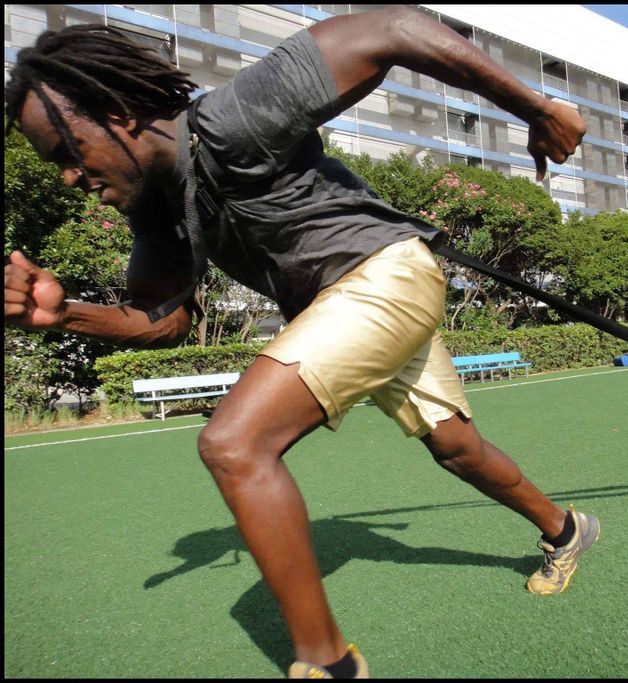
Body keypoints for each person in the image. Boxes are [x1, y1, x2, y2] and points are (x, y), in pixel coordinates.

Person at [4, 8, 598, 679]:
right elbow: (165, 319)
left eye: (65, 154)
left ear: (114, 111)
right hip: (345, 310)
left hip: (385, 274)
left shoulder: (236, 116)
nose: (66, 178)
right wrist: (65, 314)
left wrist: (536, 106)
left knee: (234, 443)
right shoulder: (156, 211)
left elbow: (394, 28)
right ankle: (566, 528)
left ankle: (328, 666)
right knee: (458, 448)